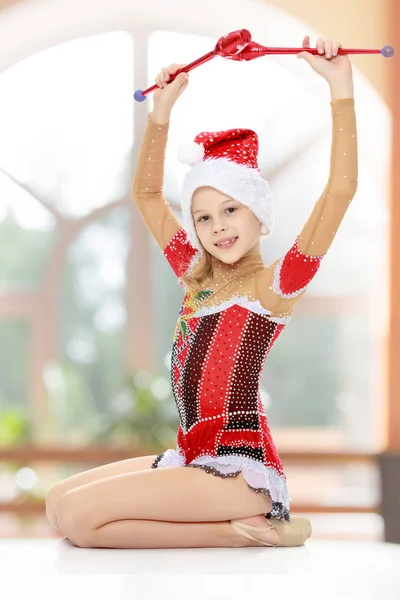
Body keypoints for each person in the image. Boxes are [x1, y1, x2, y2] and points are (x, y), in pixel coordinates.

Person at [45, 35, 357, 550]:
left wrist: (341, 90)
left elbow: (340, 192)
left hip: (238, 472)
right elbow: (146, 194)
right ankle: (249, 530)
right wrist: (161, 112)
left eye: (232, 210)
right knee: (59, 502)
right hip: (192, 456)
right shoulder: (197, 278)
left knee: (80, 520)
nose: (219, 227)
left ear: (260, 214)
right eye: (204, 217)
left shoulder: (274, 286)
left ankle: (247, 530)